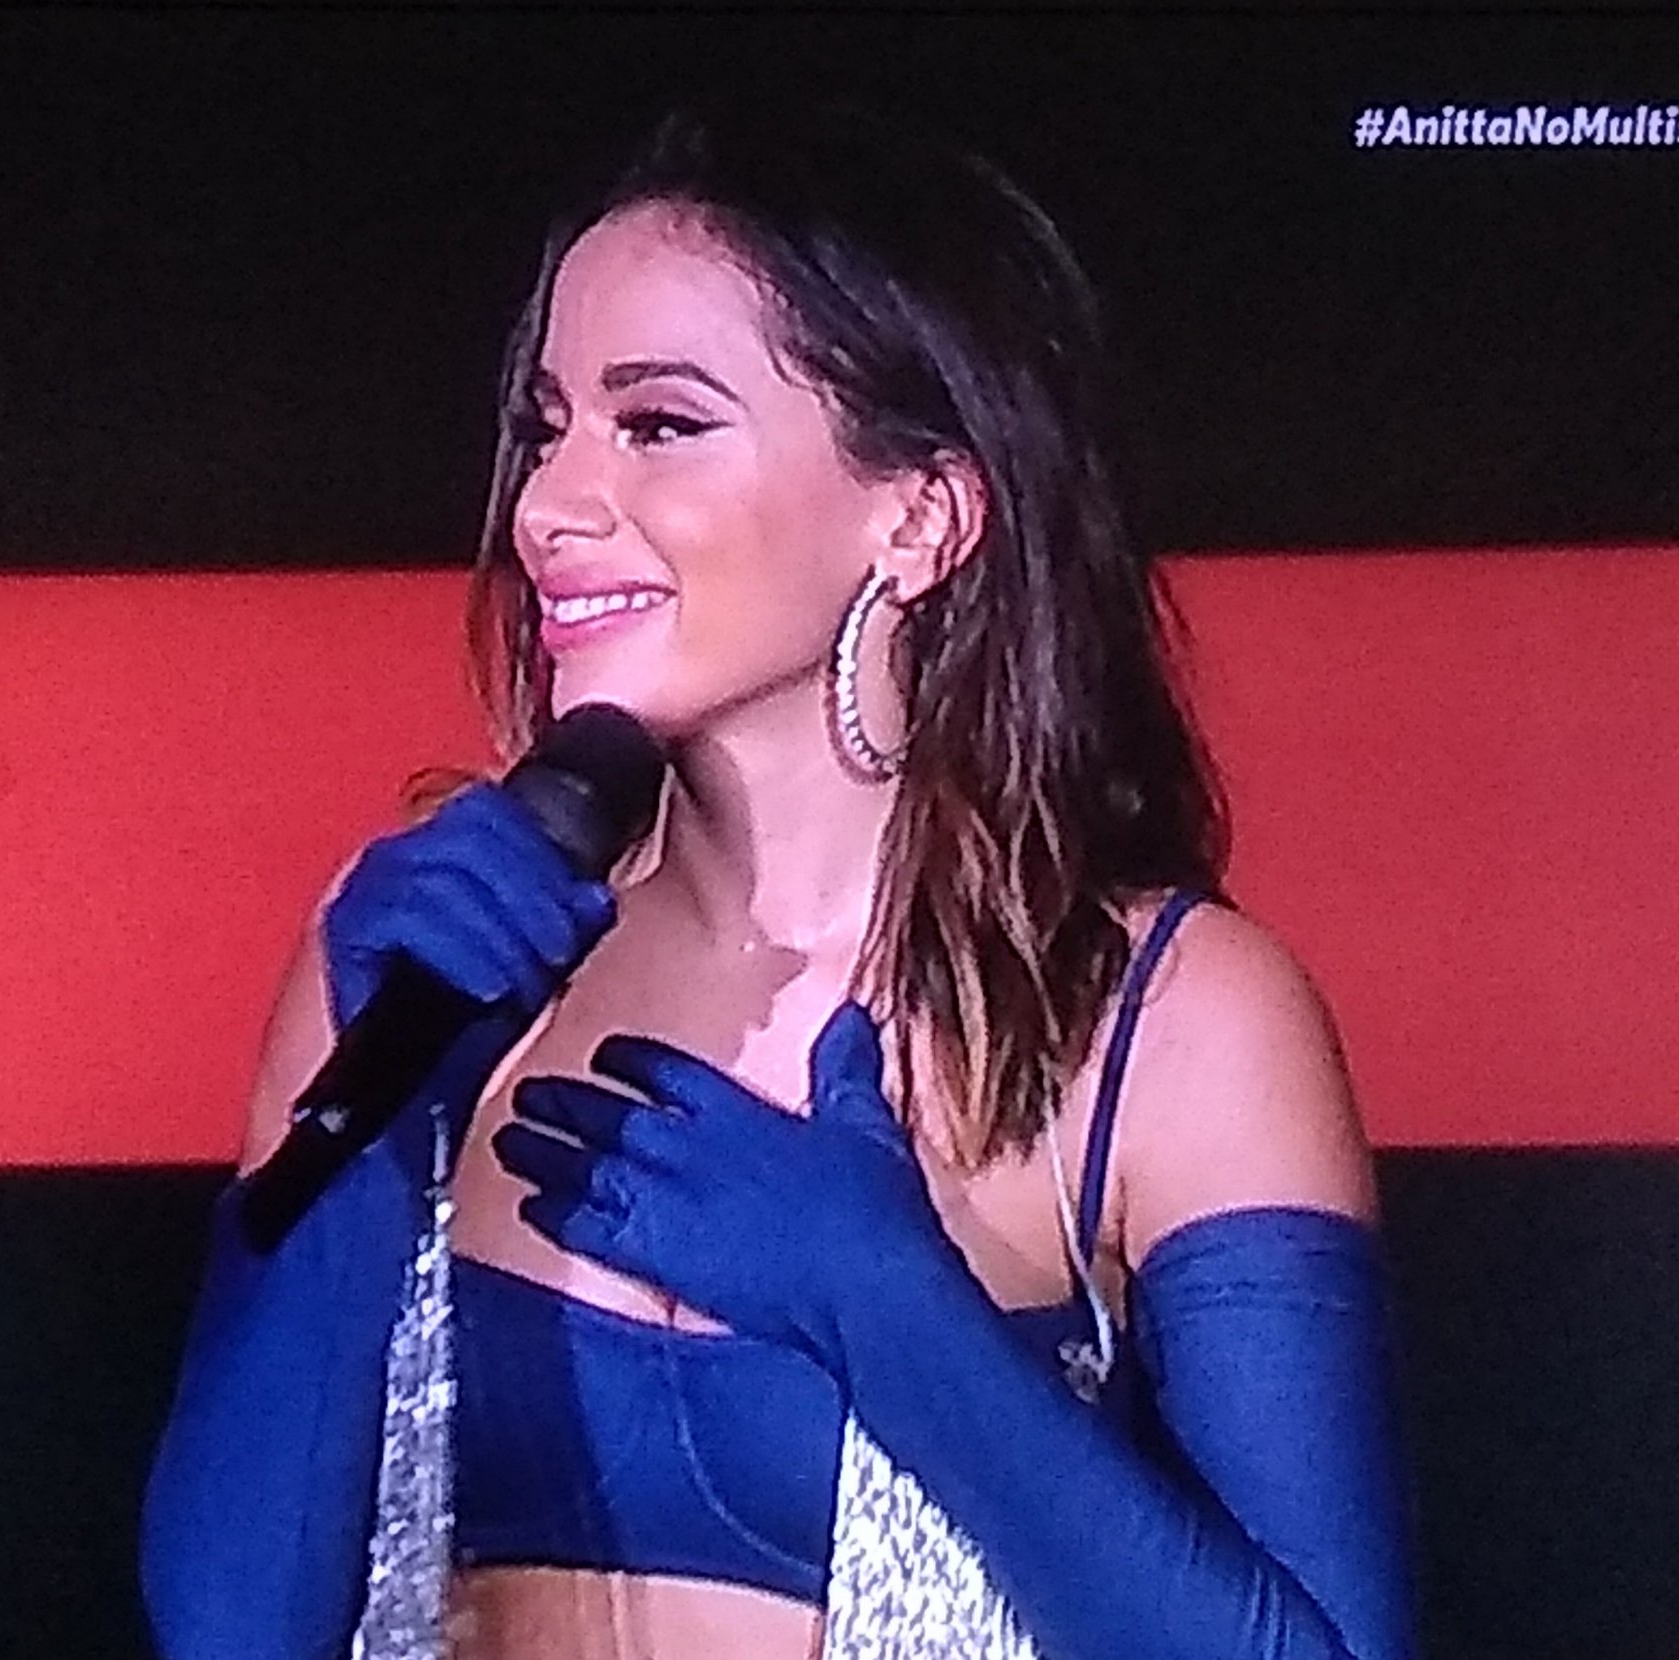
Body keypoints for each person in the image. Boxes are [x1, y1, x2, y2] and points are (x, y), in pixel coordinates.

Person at [142, 98, 1412, 1660]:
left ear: (922, 514)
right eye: (548, 428)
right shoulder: (433, 948)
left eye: (659, 425)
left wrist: (889, 1311)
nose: (547, 508)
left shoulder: (1172, 1019)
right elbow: (229, 1628)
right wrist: (364, 1147)